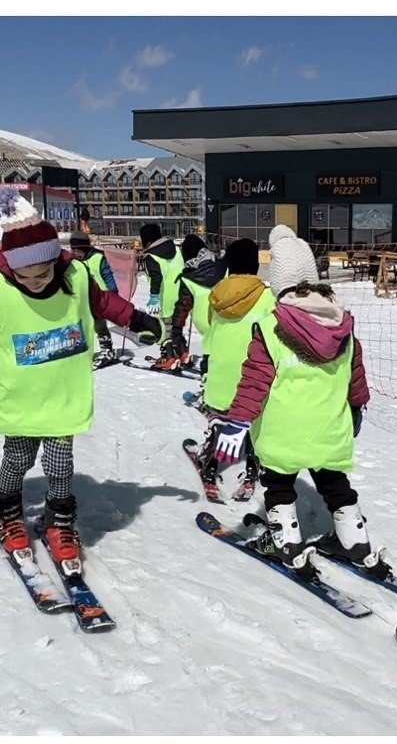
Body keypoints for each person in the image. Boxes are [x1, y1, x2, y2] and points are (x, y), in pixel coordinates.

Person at [0, 188, 163, 577]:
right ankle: (6, 508)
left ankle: (59, 522)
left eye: (43, 273)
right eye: (24, 276)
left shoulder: (75, 275)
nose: (36, 282)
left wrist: (137, 319)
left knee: (61, 467)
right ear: (10, 267)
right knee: (19, 459)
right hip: (20, 399)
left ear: (55, 260)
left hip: (62, 396)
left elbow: (104, 302)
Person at [213, 229, 376, 573]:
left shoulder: (270, 327)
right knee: (334, 483)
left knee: (279, 484)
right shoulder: (342, 325)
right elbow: (355, 374)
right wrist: (357, 406)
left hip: (281, 431)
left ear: (277, 283)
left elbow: (254, 381)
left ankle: (286, 542)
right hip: (330, 428)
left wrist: (238, 420)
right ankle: (354, 541)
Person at [186, 238, 266, 501]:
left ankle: (208, 464)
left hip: (220, 374)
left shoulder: (216, 293)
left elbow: (208, 326)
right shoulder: (268, 297)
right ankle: (252, 472)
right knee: (256, 425)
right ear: (256, 264)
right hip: (252, 378)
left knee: (219, 420)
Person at [159, 233, 227, 372]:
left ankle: (208, 380)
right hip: (226, 319)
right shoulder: (224, 268)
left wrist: (176, 331)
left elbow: (183, 307)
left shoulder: (188, 278)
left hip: (204, 324)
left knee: (210, 354)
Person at [68, 230, 120, 366]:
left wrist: (114, 296)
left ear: (84, 248)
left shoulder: (98, 258)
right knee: (80, 325)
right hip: (80, 298)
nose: (75, 253)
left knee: (99, 324)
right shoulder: (72, 261)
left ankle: (107, 349)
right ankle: (82, 350)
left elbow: (109, 277)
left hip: (99, 298)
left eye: (78, 250)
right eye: (73, 249)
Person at [140, 222, 183, 324]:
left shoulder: (151, 257)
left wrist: (154, 297)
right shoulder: (177, 249)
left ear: (147, 241)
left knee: (165, 332)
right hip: (181, 297)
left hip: (164, 301)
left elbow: (156, 278)